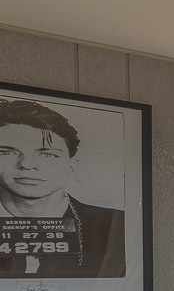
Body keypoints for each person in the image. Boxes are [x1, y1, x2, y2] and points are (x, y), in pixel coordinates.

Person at [0, 98, 125, 278]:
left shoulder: (116, 225)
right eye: (6, 152)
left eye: (47, 154)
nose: (27, 164)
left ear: (72, 164)